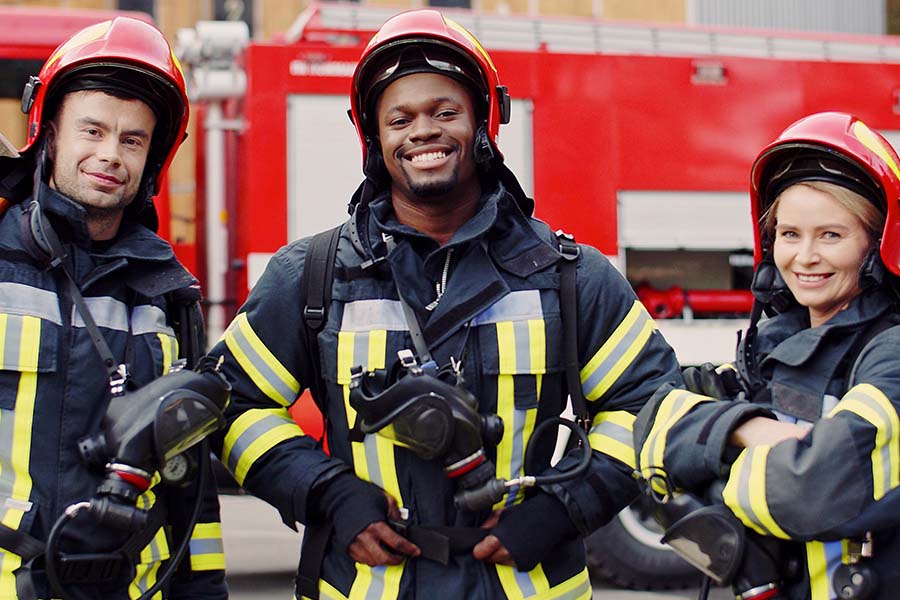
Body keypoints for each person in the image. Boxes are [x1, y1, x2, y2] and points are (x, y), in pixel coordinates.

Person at [211, 8, 681, 600]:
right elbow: (231, 405)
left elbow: (649, 404)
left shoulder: (570, 277)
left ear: (483, 125)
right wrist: (328, 492)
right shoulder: (314, 275)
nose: (422, 131)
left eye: (445, 112)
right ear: (375, 140)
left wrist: (563, 508)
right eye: (399, 118)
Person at [0, 17, 227, 600]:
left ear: (152, 159)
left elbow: (189, 484)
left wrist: (203, 592)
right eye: (92, 130)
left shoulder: (169, 296)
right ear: (49, 134)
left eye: (132, 139)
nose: (109, 155)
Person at [634, 111, 900, 600]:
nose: (804, 257)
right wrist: (750, 428)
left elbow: (810, 491)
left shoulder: (891, 354)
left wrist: (709, 457)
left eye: (831, 235)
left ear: (877, 244)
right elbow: (650, 427)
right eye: (790, 234)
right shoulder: (773, 342)